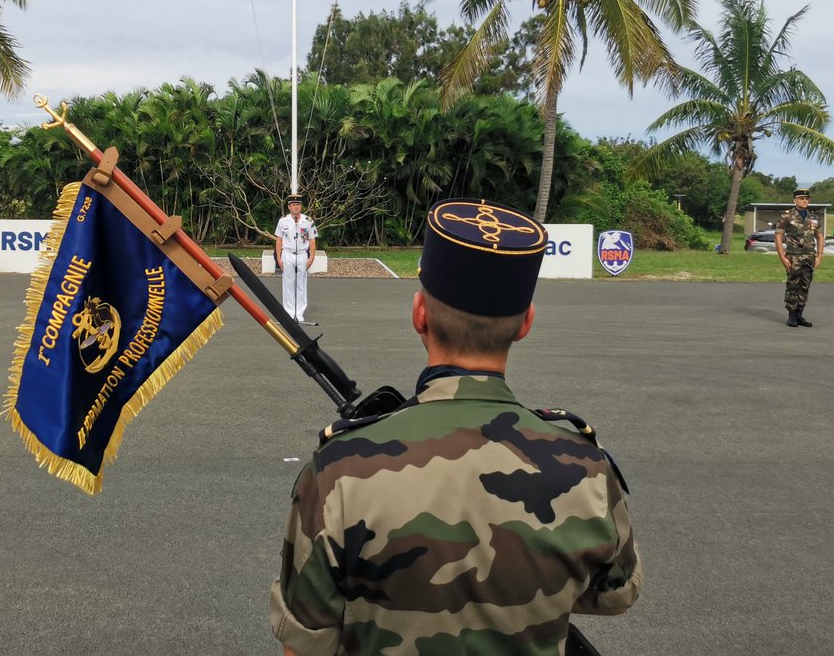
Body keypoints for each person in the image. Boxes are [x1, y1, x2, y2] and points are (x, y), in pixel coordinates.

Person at [271, 199, 641, 655]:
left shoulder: (339, 472)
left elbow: (303, 642)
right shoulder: (585, 467)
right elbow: (615, 595)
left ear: (419, 314)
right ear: (525, 324)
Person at [775, 187, 824, 328]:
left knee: (805, 284)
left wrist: (820, 255)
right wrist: (781, 256)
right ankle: (791, 314)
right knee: (793, 284)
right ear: (794, 200)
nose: (805, 201)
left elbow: (820, 236)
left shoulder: (813, 217)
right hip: (793, 256)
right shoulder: (787, 216)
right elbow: (778, 236)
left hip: (809, 256)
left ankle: (799, 313)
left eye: (806, 199)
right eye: (802, 199)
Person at [274, 194, 317, 323]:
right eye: (293, 205)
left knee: (301, 284)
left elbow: (312, 240)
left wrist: (312, 256)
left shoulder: (308, 221)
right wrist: (278, 257)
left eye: (298, 205)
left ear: (301, 206)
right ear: (289, 207)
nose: (296, 207)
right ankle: (288, 311)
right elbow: (279, 240)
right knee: (288, 284)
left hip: (302, 254)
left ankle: (299, 312)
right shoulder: (283, 221)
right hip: (287, 254)